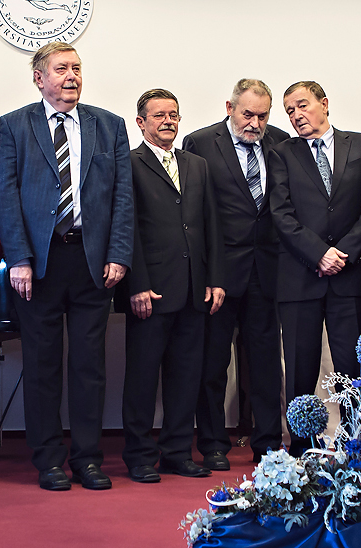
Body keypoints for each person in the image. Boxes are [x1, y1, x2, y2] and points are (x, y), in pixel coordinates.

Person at [0, 42, 134, 491]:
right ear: (39, 78)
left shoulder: (109, 125)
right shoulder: (14, 124)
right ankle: (48, 460)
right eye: (61, 69)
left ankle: (88, 460)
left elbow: (123, 196)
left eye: (77, 68)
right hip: (39, 264)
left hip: (92, 263)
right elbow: (3, 195)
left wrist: (118, 253)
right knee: (42, 365)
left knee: (90, 367)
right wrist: (18, 259)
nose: (71, 75)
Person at [268, 80, 361, 449]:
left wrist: (342, 253)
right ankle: (302, 449)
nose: (296, 115)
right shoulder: (282, 153)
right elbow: (281, 213)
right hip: (299, 276)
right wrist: (318, 253)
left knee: (351, 367)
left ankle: (356, 444)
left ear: (324, 103)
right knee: (300, 367)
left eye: (302, 105)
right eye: (289, 110)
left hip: (348, 276)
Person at [182, 79, 290, 469]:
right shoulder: (200, 143)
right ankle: (213, 443)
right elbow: (193, 212)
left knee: (265, 363)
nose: (255, 124)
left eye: (262, 116)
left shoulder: (280, 142)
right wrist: (205, 273)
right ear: (229, 108)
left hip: (267, 270)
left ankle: (267, 443)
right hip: (219, 273)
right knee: (212, 363)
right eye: (247, 114)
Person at [119, 89, 225, 483]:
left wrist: (215, 279)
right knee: (142, 379)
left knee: (186, 377)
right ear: (141, 122)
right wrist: (137, 284)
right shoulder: (128, 164)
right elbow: (127, 228)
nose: (168, 121)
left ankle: (177, 453)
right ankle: (139, 456)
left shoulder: (197, 165)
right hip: (150, 290)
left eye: (174, 115)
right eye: (159, 115)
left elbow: (211, 224)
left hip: (194, 289)